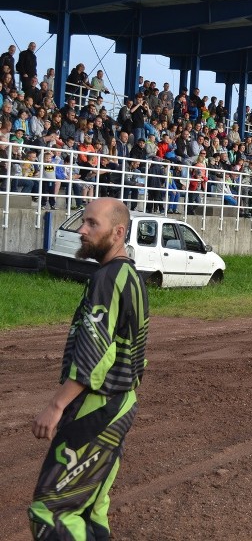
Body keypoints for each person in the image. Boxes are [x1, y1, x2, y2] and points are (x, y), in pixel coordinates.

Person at [29, 198, 149, 540]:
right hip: (120, 403)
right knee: (92, 510)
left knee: (51, 511)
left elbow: (96, 352)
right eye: (84, 222)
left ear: (118, 232)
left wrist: (57, 405)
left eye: (92, 224)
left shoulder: (108, 279)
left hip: (97, 405)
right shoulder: (131, 276)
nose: (82, 230)